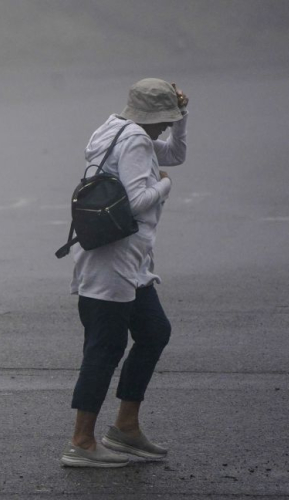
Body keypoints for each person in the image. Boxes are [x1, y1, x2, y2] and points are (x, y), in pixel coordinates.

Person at [60, 78, 189, 467]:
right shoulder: (134, 140)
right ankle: (81, 442)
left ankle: (126, 430)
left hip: (129, 261)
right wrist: (163, 187)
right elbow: (134, 202)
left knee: (153, 332)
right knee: (105, 347)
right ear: (148, 117)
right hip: (111, 263)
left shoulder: (115, 127)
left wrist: (183, 117)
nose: (166, 126)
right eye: (164, 119)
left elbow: (174, 154)